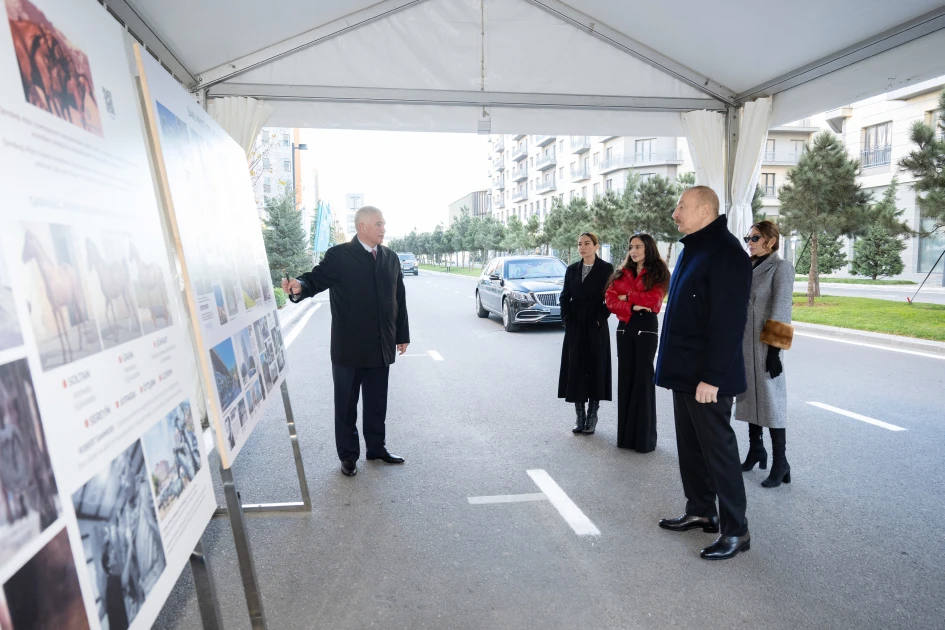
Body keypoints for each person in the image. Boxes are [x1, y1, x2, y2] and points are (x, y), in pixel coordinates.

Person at [654, 186, 753, 561]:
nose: (675, 213)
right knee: (691, 447)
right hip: (685, 372)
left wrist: (712, 377)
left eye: (682, 206)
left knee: (719, 454)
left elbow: (728, 324)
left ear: (706, 211)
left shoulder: (726, 253)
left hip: (707, 379)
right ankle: (700, 510)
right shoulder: (693, 249)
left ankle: (736, 530)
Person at [283, 206, 410, 477]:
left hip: (381, 345)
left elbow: (398, 298)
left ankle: (376, 448)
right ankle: (348, 456)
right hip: (349, 349)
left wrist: (401, 335)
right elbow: (316, 278)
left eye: (383, 223)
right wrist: (300, 286)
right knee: (346, 406)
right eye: (378, 224)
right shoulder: (340, 256)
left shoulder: (390, 258)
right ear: (362, 227)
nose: (383, 229)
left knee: (377, 403)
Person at [736, 220, 795, 487]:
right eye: (747, 238)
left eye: (755, 238)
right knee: (750, 397)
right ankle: (756, 449)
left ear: (771, 241)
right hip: (744, 344)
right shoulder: (747, 266)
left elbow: (782, 309)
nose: (749, 243)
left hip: (766, 345)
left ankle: (780, 462)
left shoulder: (781, 268)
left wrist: (775, 351)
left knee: (771, 400)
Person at [604, 234, 670, 452]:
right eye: (631, 247)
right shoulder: (621, 272)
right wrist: (632, 305)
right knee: (626, 379)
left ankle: (643, 440)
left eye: (638, 247)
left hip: (646, 327)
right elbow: (610, 300)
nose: (633, 251)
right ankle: (626, 438)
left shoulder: (658, 271)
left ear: (648, 248)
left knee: (643, 380)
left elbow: (654, 301)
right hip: (624, 327)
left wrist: (626, 296)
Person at [558, 232, 613, 435]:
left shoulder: (606, 268)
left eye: (587, 243)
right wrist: (566, 318)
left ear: (596, 246)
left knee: (595, 367)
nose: (582, 247)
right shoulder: (572, 269)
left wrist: (600, 317)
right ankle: (579, 416)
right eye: (580, 244)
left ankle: (592, 416)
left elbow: (611, 297)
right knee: (576, 367)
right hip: (575, 324)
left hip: (595, 323)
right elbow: (564, 296)